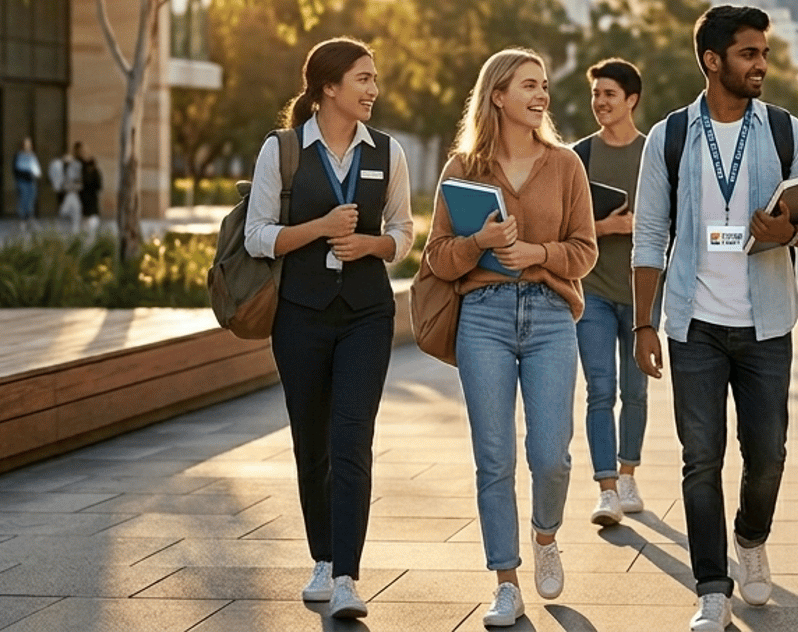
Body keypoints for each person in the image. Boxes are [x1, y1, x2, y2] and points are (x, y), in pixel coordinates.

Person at [631, 5, 798, 632]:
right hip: (693, 325)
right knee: (700, 458)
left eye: (765, 54)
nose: (762, 66)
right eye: (750, 54)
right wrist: (644, 325)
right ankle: (711, 586)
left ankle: (751, 537)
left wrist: (790, 230)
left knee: (767, 453)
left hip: (767, 323)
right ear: (712, 60)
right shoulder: (669, 136)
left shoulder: (782, 130)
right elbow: (648, 235)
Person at [424, 48, 597, 628]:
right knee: (492, 458)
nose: (541, 94)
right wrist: (481, 243)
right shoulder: (462, 169)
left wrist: (535, 254)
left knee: (551, 454)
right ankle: (505, 580)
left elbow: (585, 250)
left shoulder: (566, 165)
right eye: (529, 84)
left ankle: (545, 535)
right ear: (498, 95)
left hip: (550, 316)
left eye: (544, 85)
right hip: (484, 319)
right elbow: (439, 259)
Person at [242, 37, 413, 621]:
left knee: (351, 438)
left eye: (374, 78)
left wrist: (373, 244)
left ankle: (346, 576)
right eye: (363, 78)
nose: (373, 89)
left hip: (367, 314)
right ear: (329, 88)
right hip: (301, 316)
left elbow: (404, 232)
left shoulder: (387, 152)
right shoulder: (283, 151)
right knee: (310, 442)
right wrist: (318, 226)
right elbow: (257, 235)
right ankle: (322, 556)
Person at [571, 58, 653, 528]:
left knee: (635, 389)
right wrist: (610, 226)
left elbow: (674, 220)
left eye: (609, 95)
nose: (600, 103)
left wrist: (643, 227)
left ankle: (628, 475)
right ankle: (606, 489)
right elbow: (566, 224)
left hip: (642, 291)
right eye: (596, 95)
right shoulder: (579, 156)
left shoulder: (654, 154)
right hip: (594, 291)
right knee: (599, 389)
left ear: (631, 100)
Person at [53, 145, 85, 233]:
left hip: (72, 193)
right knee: (65, 213)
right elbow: (60, 184)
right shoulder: (60, 166)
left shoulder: (75, 166)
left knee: (74, 213)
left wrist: (70, 186)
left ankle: (74, 233)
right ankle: (64, 232)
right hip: (68, 194)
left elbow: (79, 184)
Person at [75, 142, 103, 237]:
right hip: (79, 207)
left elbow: (99, 185)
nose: (83, 154)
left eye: (85, 152)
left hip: (91, 207)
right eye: (81, 152)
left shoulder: (93, 168)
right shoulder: (76, 166)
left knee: (91, 234)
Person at [12, 138, 41, 222]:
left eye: (29, 144)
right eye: (26, 144)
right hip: (22, 181)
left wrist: (37, 174)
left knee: (31, 199)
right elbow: (16, 168)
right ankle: (22, 218)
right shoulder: (18, 155)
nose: (28, 146)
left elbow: (35, 168)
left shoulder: (32, 155)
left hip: (31, 180)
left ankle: (30, 217)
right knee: (23, 199)